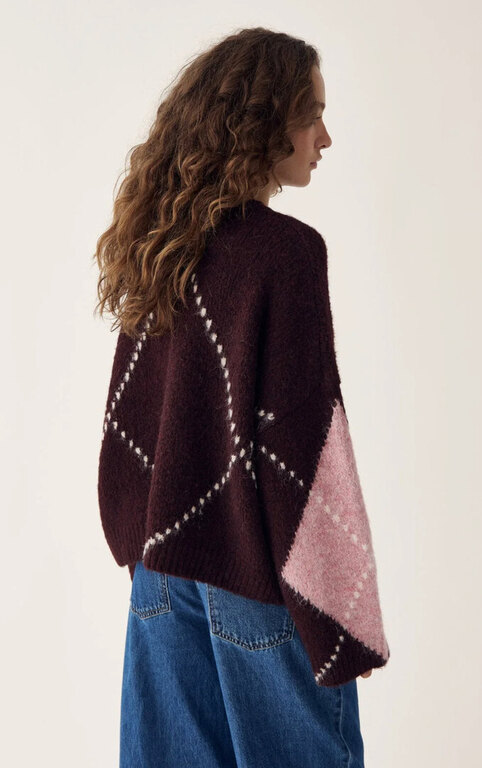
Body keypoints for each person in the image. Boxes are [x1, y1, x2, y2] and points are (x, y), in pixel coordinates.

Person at [94, 26, 389, 768]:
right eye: (311, 116)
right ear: (262, 123)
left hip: (159, 576)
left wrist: (136, 539)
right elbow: (305, 449)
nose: (325, 138)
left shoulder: (160, 244)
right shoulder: (287, 253)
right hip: (254, 581)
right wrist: (338, 617)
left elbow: (129, 418)